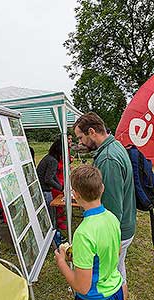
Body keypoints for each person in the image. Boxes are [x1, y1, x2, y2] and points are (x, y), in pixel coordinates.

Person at [73, 112, 136, 300]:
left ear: (92, 131)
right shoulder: (114, 146)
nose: (81, 142)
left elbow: (113, 207)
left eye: (81, 137)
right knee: (117, 272)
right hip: (123, 226)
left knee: (112, 275)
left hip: (118, 229)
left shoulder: (108, 159)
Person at [55, 164, 123, 300]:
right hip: (116, 289)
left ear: (75, 194)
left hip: (96, 296)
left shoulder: (83, 233)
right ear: (102, 188)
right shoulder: (112, 217)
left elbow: (82, 287)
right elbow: (117, 251)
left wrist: (61, 262)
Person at [37, 138, 63, 224]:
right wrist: (60, 188)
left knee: (49, 213)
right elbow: (48, 179)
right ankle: (54, 233)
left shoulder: (49, 158)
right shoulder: (53, 161)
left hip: (42, 189)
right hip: (45, 191)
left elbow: (53, 174)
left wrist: (60, 186)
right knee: (50, 215)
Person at [51, 134, 73, 230]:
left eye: (71, 139)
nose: (70, 141)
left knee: (63, 198)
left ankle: (62, 217)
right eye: (68, 139)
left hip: (63, 178)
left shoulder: (67, 149)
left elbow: (65, 163)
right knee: (59, 200)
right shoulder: (55, 157)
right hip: (58, 180)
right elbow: (56, 169)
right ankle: (58, 221)